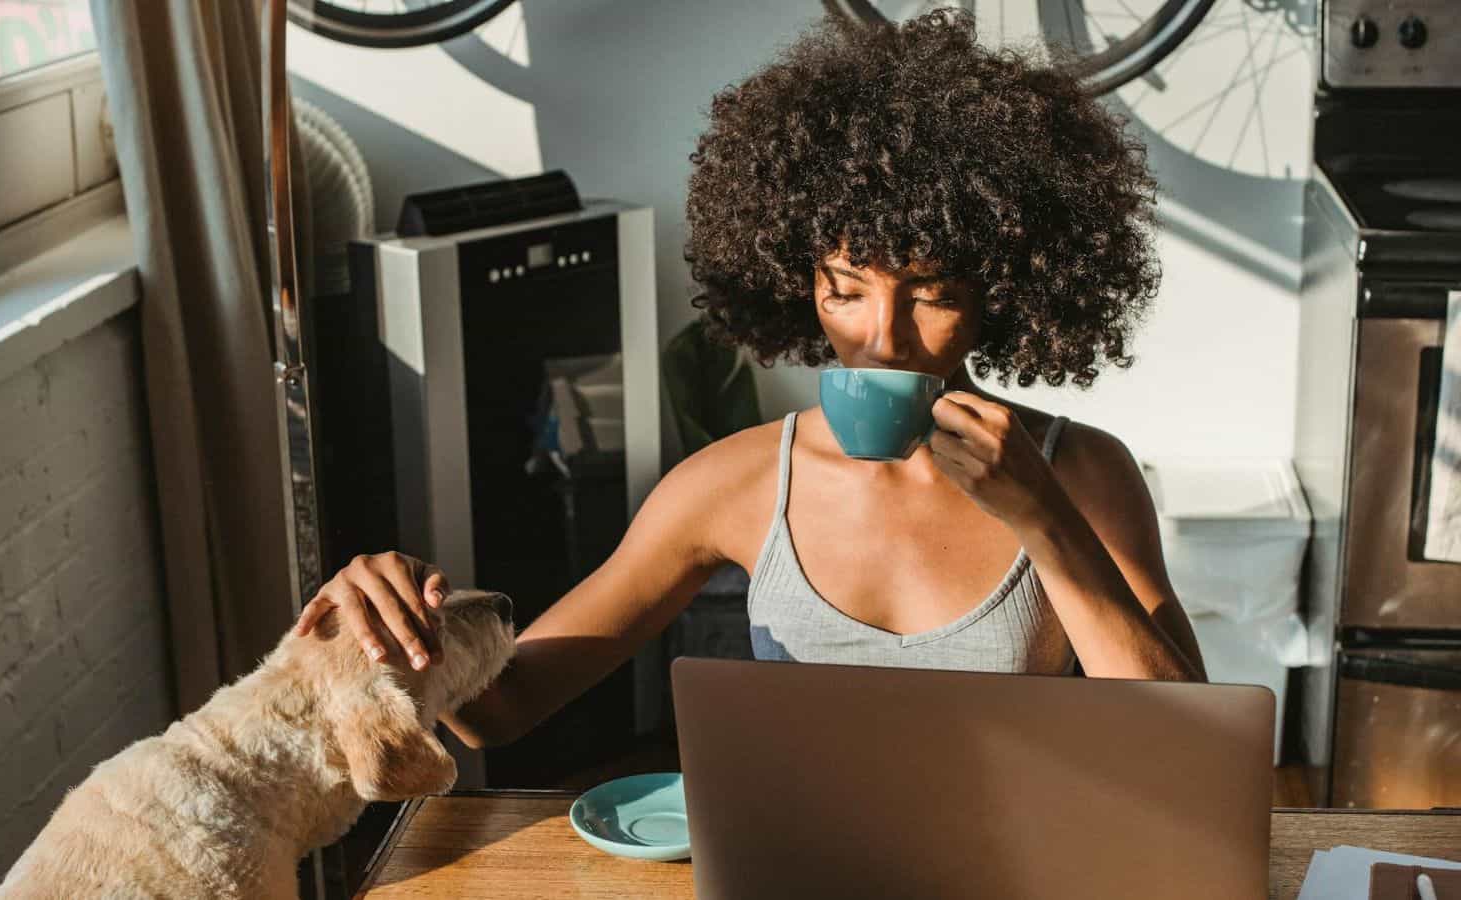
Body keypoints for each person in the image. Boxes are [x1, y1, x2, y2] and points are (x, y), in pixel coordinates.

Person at [294, 10, 1206, 750]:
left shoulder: (1078, 472)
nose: (880, 339)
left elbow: (1186, 744)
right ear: (796, 279)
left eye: (929, 294)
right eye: (843, 291)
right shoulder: (729, 486)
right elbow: (500, 710)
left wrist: (1043, 518)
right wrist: (402, 620)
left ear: (1003, 294)